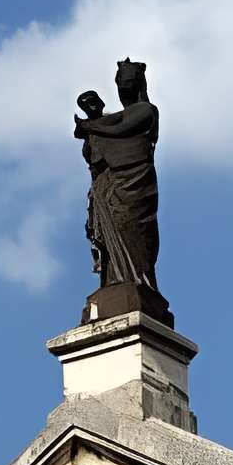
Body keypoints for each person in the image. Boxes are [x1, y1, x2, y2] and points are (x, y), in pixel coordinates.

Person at [72, 59, 162, 304]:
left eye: (129, 82)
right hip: (109, 186)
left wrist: (90, 124)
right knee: (110, 236)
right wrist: (94, 121)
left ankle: (140, 282)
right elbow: (94, 153)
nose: (125, 86)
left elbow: (123, 129)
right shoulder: (109, 121)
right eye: (122, 82)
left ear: (139, 84)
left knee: (133, 229)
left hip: (135, 183)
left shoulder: (145, 110)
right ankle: (113, 281)